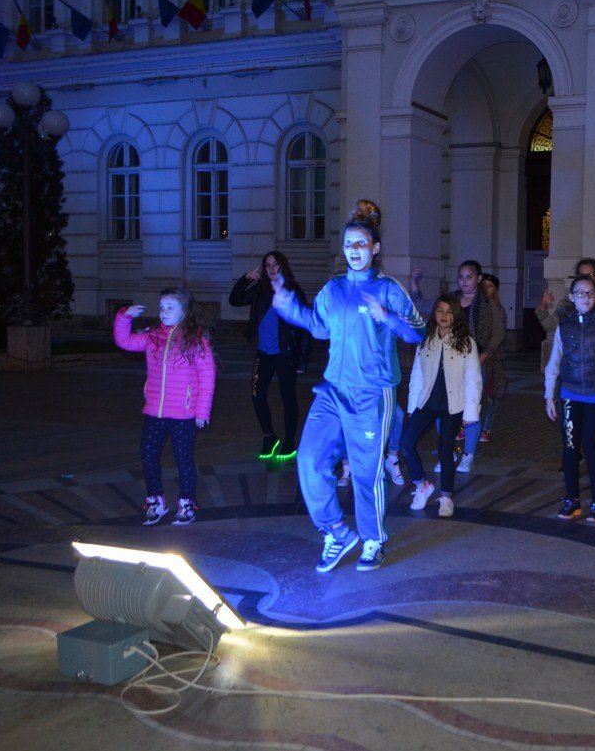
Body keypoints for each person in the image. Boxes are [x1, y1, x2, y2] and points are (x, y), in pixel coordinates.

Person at [272, 200, 425, 573]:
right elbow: (319, 327)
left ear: (375, 248)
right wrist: (288, 307)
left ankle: (373, 539)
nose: (354, 250)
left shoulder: (388, 288)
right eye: (349, 244)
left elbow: (418, 332)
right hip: (332, 391)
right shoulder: (334, 288)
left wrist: (386, 317)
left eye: (361, 244)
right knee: (309, 460)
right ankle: (337, 531)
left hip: (372, 394)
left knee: (365, 471)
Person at [114, 287, 216, 527]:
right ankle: (156, 502)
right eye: (161, 307)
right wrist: (124, 317)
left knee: (183, 459)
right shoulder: (152, 337)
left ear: (184, 312)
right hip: (154, 412)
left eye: (170, 308)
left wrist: (202, 410)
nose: (164, 312)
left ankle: (187, 503)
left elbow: (207, 376)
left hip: (183, 413)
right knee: (148, 455)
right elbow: (124, 341)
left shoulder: (196, 340)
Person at [410, 259, 504, 473]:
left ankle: (468, 454)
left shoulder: (487, 304)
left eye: (469, 277)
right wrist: (414, 284)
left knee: (471, 407)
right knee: (441, 405)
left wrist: (483, 356)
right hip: (445, 362)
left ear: (478, 279)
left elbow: (498, 334)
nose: (464, 281)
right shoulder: (450, 300)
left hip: (473, 362)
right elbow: (423, 305)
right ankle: (447, 451)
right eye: (461, 277)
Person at [544, 274, 595, 522]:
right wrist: (549, 396)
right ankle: (572, 499)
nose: (585, 298)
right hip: (569, 394)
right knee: (569, 448)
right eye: (580, 293)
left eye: (590, 293)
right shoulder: (564, 325)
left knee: (591, 447)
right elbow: (554, 362)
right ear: (571, 297)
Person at [401, 295, 482, 518]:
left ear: (455, 315)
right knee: (406, 442)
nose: (444, 316)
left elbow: (473, 379)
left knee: (445, 449)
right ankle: (422, 485)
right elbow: (417, 373)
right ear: (434, 313)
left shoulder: (466, 342)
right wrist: (412, 406)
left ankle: (446, 497)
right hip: (427, 400)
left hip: (453, 404)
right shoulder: (426, 339)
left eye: (449, 312)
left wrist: (471, 411)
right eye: (440, 311)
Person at [537, 258, 595, 446]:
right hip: (572, 378)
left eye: (590, 274)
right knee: (571, 435)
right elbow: (553, 327)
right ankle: (575, 452)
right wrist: (543, 309)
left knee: (593, 435)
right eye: (582, 274)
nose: (586, 278)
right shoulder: (567, 303)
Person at [228, 251, 311, 460]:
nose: (272, 269)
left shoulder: (293, 291)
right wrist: (245, 279)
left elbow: (305, 326)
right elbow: (235, 300)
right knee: (257, 395)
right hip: (263, 353)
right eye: (268, 265)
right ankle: (269, 436)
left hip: (285, 354)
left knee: (288, 398)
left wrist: (302, 359)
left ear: (282, 266)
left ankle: (289, 441)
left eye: (275, 264)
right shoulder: (260, 289)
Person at [477, 273, 508, 442]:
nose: (486, 289)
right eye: (484, 286)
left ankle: (486, 428)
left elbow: (499, 336)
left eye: (490, 286)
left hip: (493, 360)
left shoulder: (498, 310)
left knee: (491, 394)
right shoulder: (476, 307)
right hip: (477, 357)